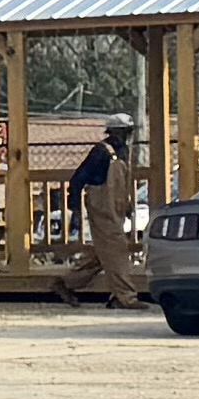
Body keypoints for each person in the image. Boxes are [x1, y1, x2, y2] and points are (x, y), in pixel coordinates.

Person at [68, 116, 144, 306]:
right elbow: (77, 180)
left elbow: (121, 183)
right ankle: (125, 297)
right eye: (125, 131)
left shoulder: (123, 152)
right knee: (117, 250)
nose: (127, 136)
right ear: (114, 132)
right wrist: (75, 210)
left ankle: (65, 284)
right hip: (101, 208)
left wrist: (126, 204)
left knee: (102, 254)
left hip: (115, 209)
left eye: (129, 132)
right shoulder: (101, 152)